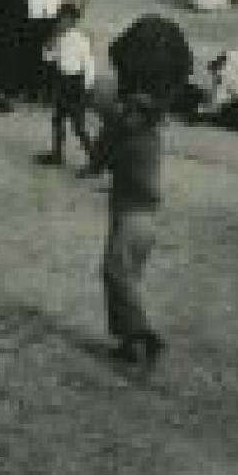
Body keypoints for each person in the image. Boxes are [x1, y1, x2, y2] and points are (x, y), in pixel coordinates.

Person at [93, 90, 168, 371]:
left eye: (130, 112)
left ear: (141, 117)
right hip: (144, 219)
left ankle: (144, 335)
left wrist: (107, 127)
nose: (125, 115)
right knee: (126, 278)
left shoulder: (133, 144)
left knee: (115, 274)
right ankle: (128, 344)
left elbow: (99, 162)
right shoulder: (151, 139)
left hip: (131, 218)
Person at [37, 2, 99, 169]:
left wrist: (87, 87)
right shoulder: (57, 38)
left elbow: (89, 64)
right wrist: (49, 43)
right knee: (57, 120)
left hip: (75, 84)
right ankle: (57, 154)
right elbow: (48, 58)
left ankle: (95, 159)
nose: (61, 22)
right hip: (61, 81)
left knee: (78, 125)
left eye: (65, 19)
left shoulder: (81, 39)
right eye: (59, 19)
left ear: (73, 21)